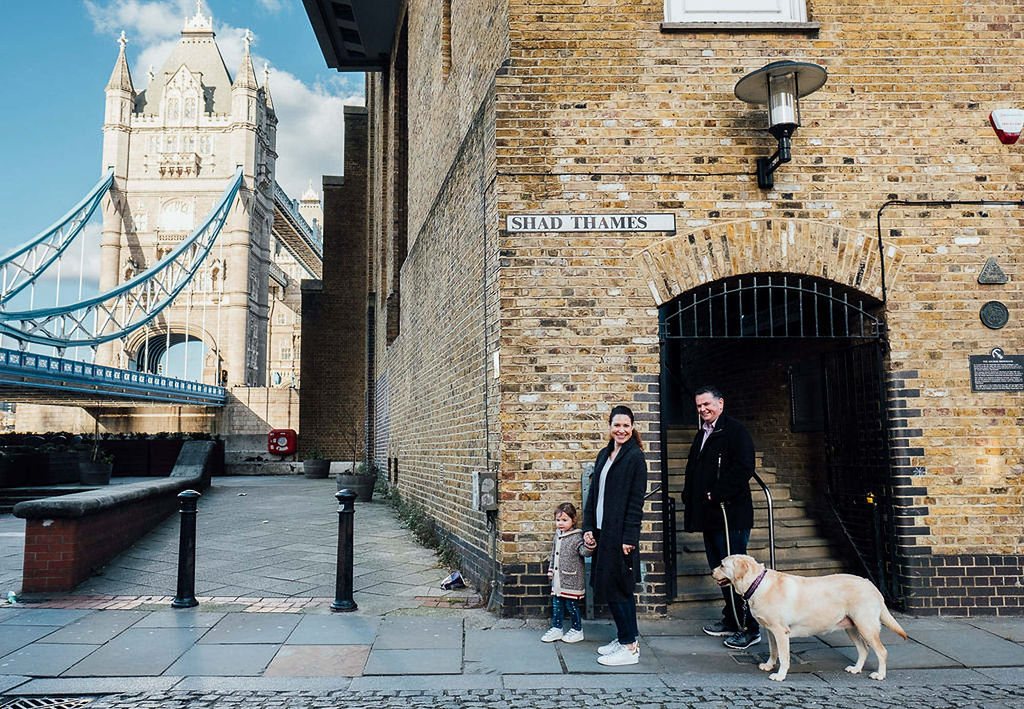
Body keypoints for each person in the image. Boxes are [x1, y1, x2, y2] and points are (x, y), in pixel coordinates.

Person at [681, 385, 761, 649]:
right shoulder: (702, 433)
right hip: (711, 516)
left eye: (707, 404)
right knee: (721, 572)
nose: (703, 409)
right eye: (699, 406)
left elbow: (744, 468)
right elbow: (695, 467)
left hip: (731, 515)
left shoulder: (735, 431)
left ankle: (750, 628)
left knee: (739, 575)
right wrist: (689, 496)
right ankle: (731, 619)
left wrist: (716, 494)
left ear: (721, 404)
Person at [582, 405, 648, 666]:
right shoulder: (604, 454)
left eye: (626, 425)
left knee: (621, 589)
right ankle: (624, 638)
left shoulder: (635, 458)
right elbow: (594, 495)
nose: (621, 430)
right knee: (611, 587)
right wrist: (589, 527)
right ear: (610, 427)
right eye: (616, 425)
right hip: (602, 532)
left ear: (632, 427)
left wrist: (629, 539)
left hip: (620, 536)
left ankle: (630, 647)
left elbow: (635, 503)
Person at [540, 502, 593, 643]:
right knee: (557, 604)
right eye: (558, 520)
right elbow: (553, 555)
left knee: (571, 605)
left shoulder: (576, 537)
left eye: (565, 520)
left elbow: (585, 552)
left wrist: (590, 544)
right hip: (558, 579)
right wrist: (551, 570)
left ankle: (577, 630)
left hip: (572, 579)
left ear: (573, 520)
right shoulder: (558, 535)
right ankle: (557, 628)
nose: (560, 523)